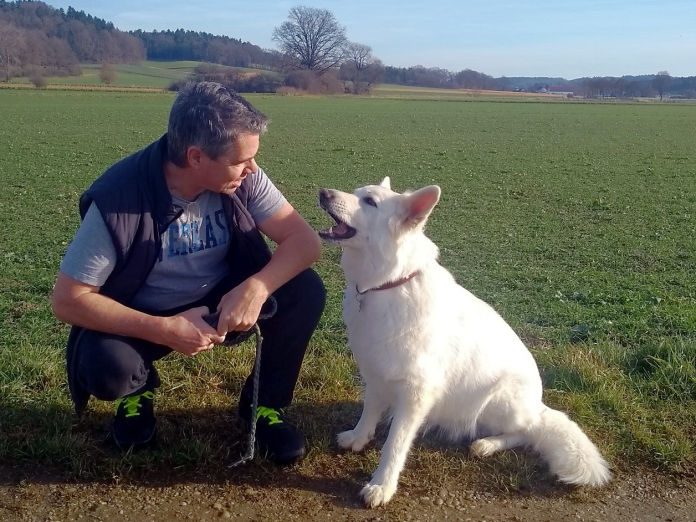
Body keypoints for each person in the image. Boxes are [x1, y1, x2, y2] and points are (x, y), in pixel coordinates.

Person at [51, 81, 325, 465]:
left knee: (305, 291)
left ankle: (265, 408)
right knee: (106, 367)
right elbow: (67, 300)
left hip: (221, 298)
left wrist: (256, 287)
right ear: (196, 157)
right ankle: (138, 392)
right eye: (240, 160)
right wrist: (162, 328)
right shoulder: (118, 199)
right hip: (144, 313)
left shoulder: (244, 176)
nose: (252, 169)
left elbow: (304, 241)